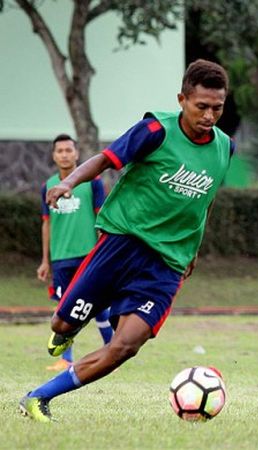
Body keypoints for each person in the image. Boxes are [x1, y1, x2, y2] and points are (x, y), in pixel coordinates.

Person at [19, 59, 235, 422]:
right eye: (202, 107)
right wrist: (68, 182)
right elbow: (106, 160)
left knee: (125, 346)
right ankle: (65, 331)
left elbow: (205, 201)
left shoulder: (224, 148)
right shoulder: (154, 130)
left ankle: (39, 398)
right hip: (121, 244)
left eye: (218, 108)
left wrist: (193, 248)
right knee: (62, 324)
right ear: (182, 99)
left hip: (166, 263)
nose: (210, 116)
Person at [38, 134, 114, 371]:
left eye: (68, 150)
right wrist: (45, 260)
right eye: (59, 151)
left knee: (99, 305)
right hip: (61, 259)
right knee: (64, 308)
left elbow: (102, 217)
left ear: (76, 153)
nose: (64, 154)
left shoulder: (91, 182)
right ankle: (66, 358)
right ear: (54, 155)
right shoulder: (47, 187)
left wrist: (104, 251)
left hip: (89, 256)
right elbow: (46, 223)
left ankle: (112, 349)